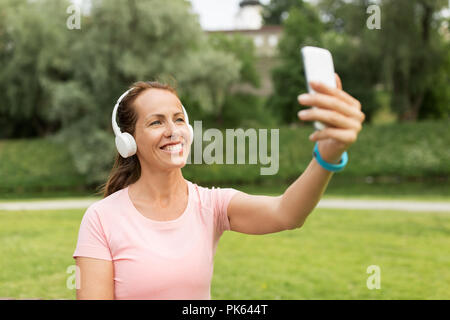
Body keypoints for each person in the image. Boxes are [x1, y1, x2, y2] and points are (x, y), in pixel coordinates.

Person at [73, 76, 365, 300]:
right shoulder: (101, 218)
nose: (173, 131)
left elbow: (287, 213)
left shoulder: (211, 205)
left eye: (179, 119)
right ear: (128, 141)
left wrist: (327, 156)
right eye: (156, 122)